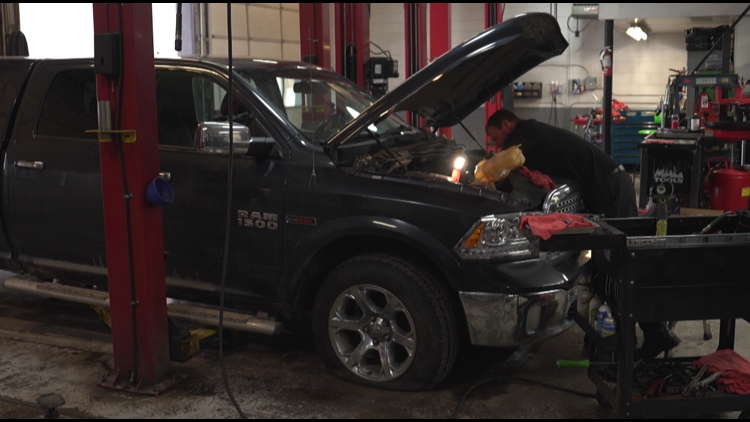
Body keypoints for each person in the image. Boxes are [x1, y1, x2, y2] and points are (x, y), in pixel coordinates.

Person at [485, 109, 679, 359]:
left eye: (496, 137)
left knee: (621, 265)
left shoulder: (520, 137)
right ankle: (613, 335)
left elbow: (501, 170)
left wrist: (487, 179)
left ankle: (652, 334)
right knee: (607, 266)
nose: (497, 143)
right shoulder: (532, 131)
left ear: (506, 124)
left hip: (610, 188)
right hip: (610, 184)